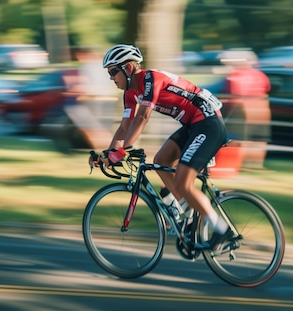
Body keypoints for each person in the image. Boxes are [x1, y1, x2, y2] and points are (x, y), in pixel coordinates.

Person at [89, 44, 231, 251]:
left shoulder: (150, 79)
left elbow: (143, 117)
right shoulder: (130, 93)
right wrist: (109, 153)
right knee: (160, 162)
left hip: (208, 123)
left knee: (183, 181)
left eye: (112, 71)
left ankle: (221, 229)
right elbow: (124, 127)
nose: (111, 77)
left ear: (128, 68)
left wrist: (124, 151)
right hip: (193, 126)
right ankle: (188, 218)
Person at [220, 50, 271, 170]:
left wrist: (226, 112)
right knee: (259, 139)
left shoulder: (234, 76)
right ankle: (256, 165)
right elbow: (267, 89)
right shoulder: (259, 74)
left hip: (242, 109)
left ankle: (238, 164)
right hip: (262, 108)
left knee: (238, 138)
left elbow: (233, 94)